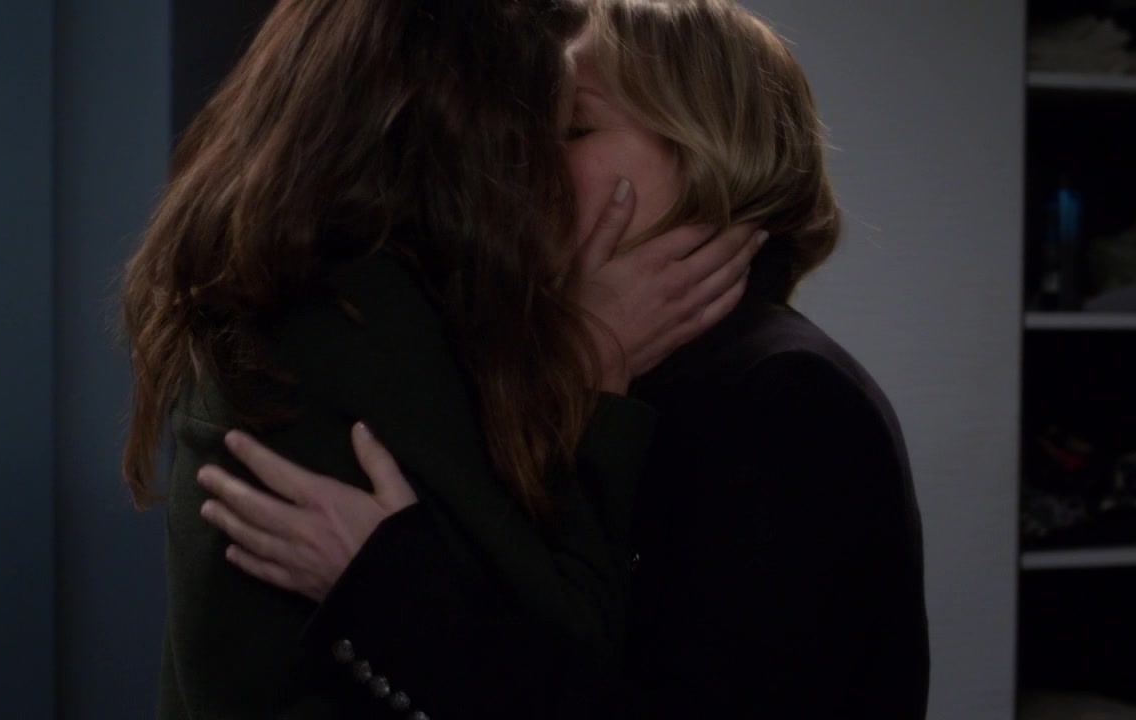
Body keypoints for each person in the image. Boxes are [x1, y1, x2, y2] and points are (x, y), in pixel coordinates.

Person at [197, 0, 931, 718]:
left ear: (709, 151)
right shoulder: (626, 368)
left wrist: (389, 594)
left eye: (573, 128)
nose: (519, 164)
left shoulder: (786, 395)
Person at [121, 0, 761, 718]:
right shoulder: (364, 322)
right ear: (476, 136)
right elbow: (572, 645)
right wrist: (598, 372)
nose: (552, 173)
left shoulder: (286, 289)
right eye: (551, 134)